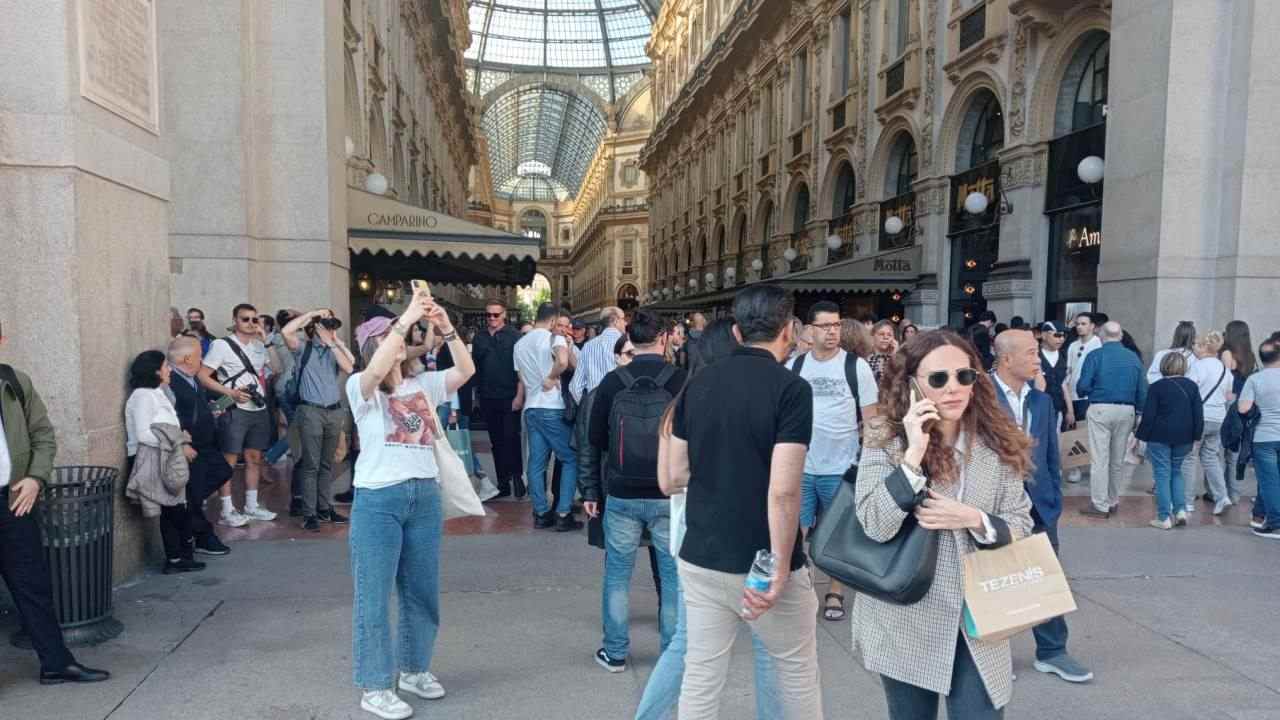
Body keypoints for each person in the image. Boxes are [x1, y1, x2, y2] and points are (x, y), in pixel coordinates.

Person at [854, 329, 1034, 719]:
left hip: (979, 616)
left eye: (964, 376)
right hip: (906, 612)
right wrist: (912, 457)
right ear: (912, 385)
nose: (954, 388)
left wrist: (973, 518)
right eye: (938, 379)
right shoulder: (885, 437)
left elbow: (1021, 522)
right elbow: (873, 524)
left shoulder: (997, 440)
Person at [665, 285, 823, 719]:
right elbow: (784, 490)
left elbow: (676, 473)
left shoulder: (696, 385)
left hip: (701, 554)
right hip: (761, 560)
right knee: (796, 674)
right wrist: (779, 563)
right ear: (789, 330)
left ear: (736, 331)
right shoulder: (791, 389)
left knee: (701, 676)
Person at [637, 316, 782, 720]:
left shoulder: (680, 403)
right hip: (748, 536)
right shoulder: (753, 402)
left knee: (688, 643)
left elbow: (667, 481)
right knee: (769, 644)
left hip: (693, 538)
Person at [346, 290, 474, 719]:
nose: (401, 341)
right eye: (389, 338)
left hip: (423, 495)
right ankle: (375, 685)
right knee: (374, 596)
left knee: (421, 592)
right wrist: (405, 319)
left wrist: (445, 325)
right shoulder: (360, 388)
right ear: (376, 345)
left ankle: (415, 669)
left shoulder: (423, 384)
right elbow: (378, 367)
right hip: (379, 498)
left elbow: (466, 369)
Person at [0, 319, 111, 684]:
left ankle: (56, 662)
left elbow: (43, 435)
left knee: (32, 584)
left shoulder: (14, 382)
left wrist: (35, 478)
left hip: (13, 498)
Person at [585, 311, 685, 672]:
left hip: (622, 493)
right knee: (672, 576)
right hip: (667, 493)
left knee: (617, 576)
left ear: (629, 337)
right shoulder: (680, 381)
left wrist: (591, 490)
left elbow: (594, 440)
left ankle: (614, 652)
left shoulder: (613, 383)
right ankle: (672, 655)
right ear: (663, 338)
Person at [991, 330, 1093, 683]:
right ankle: (991, 652)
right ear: (1007, 359)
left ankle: (1052, 651)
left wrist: (1053, 498)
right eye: (1032, 353)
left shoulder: (1042, 401)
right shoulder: (978, 395)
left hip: (1039, 503)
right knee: (991, 578)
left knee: (1046, 576)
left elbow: (1051, 455)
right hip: (992, 503)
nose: (1039, 359)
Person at [785, 300, 879, 622]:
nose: (832, 332)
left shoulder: (856, 367)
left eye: (836, 325)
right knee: (795, 530)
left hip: (840, 467)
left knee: (838, 535)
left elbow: (872, 420)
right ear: (810, 329)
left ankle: (835, 592)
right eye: (825, 326)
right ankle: (802, 586)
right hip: (801, 466)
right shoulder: (795, 367)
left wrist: (869, 462)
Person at [198, 303, 281, 526]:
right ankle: (227, 509)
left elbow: (276, 369)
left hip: (258, 407)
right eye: (245, 319)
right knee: (229, 460)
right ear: (234, 320)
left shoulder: (258, 346)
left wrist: (267, 341)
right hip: (234, 408)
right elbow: (203, 376)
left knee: (255, 458)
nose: (251, 323)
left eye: (255, 319)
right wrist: (230, 392)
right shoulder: (221, 345)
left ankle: (251, 506)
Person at [125, 350, 204, 574]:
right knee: (175, 510)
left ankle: (179, 558)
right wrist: (177, 443)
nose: (169, 370)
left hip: (165, 456)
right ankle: (177, 559)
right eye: (165, 366)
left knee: (176, 509)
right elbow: (143, 434)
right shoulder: (142, 395)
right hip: (155, 457)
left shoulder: (155, 392)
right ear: (155, 371)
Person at [280, 309, 356, 531]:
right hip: (311, 411)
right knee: (310, 465)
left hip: (334, 411)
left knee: (327, 463)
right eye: (325, 325)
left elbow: (350, 366)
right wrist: (313, 314)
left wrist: (334, 341)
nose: (330, 329)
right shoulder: (303, 348)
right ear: (313, 328)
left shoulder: (333, 350)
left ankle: (325, 508)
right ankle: (309, 512)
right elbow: (286, 331)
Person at [513, 303, 580, 531]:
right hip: (552, 406)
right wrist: (552, 377)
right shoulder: (555, 338)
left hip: (531, 409)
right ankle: (563, 513)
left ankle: (541, 512)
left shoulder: (520, 344)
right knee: (570, 458)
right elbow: (565, 362)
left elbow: (521, 376)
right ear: (553, 321)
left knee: (536, 463)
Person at [167, 336, 234, 556]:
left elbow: (196, 405)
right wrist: (182, 444)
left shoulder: (191, 378)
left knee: (222, 472)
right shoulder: (172, 383)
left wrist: (212, 410)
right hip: (191, 447)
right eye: (199, 356)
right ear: (187, 358)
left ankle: (196, 523)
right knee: (192, 496)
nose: (202, 360)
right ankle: (203, 535)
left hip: (205, 443)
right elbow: (169, 417)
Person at [1076, 321, 1148, 518]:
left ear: (1101, 336)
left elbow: (1082, 386)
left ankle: (1099, 504)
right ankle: (1113, 499)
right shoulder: (1133, 357)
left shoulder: (1095, 355)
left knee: (1100, 459)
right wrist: (1140, 412)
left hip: (1100, 408)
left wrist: (1092, 390)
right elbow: (1143, 389)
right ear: (1121, 335)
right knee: (1117, 459)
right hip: (1127, 410)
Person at [1136, 352, 1204, 529]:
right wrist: (1197, 436)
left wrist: (1139, 436)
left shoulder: (1157, 387)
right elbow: (1198, 414)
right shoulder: (1192, 386)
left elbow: (1149, 416)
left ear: (1163, 366)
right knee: (1176, 472)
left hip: (1160, 436)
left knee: (1162, 474)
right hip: (1184, 437)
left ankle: (1164, 517)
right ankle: (1180, 511)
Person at [471, 299, 525, 499]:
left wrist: (520, 395)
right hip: (487, 396)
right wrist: (475, 396)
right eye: (489, 315)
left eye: (495, 314)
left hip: (510, 396)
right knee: (496, 441)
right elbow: (475, 368)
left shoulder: (515, 336)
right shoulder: (479, 338)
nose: (491, 318)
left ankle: (517, 477)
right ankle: (503, 482)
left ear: (504, 315)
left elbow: (522, 369)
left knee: (511, 437)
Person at [1238, 340, 1280, 539]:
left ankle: (1275, 523)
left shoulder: (1255, 379)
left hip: (1264, 437)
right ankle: (1265, 517)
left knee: (1269, 481)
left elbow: (1243, 408)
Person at [1187, 332, 1231, 514]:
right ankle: (1222, 496)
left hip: (1199, 418)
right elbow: (1228, 396)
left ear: (1205, 347)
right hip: (1218, 418)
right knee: (1211, 457)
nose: (1193, 348)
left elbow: (1189, 391)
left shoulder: (1198, 367)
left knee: (1189, 458)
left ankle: (1187, 500)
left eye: (1196, 345)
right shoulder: (1224, 369)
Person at [1063, 312, 1103, 484]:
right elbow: (1069, 370)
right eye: (1078, 323)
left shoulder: (1098, 345)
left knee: (1091, 432)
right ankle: (1076, 467)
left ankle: (1095, 466)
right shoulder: (1072, 345)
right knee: (1074, 431)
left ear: (1092, 326)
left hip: (1090, 394)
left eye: (1084, 323)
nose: (1080, 326)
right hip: (1073, 393)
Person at [1221, 320, 1258, 502]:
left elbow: (1225, 379)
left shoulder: (1227, 353)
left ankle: (1220, 493)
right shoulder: (1251, 355)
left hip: (1231, 402)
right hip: (1247, 403)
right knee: (1237, 449)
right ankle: (1234, 494)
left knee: (1224, 447)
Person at [569, 307, 627, 403]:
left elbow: (575, 386)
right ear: (615, 321)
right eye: (623, 319)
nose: (626, 323)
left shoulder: (588, 346)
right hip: (621, 410)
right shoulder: (628, 345)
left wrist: (589, 407)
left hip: (594, 409)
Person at [1039, 321, 1070, 429]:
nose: (1061, 339)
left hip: (1058, 408)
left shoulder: (1063, 356)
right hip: (1039, 410)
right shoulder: (1035, 355)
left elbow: (1064, 385)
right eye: (1057, 335)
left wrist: (1070, 411)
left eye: (1064, 336)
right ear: (1044, 335)